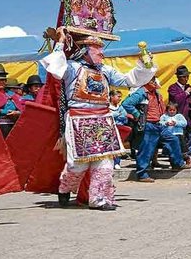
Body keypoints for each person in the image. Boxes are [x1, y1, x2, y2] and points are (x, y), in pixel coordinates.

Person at [41, 28, 156, 210]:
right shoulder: (72, 67)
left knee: (105, 163)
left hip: (103, 120)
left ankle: (99, 199)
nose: (102, 52)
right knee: (78, 164)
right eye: (96, 49)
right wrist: (61, 41)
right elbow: (55, 68)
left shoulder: (105, 70)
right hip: (80, 119)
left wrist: (144, 65)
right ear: (84, 50)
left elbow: (128, 80)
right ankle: (65, 188)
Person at [123, 77, 191, 182]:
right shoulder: (140, 93)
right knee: (146, 149)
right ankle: (142, 174)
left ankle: (177, 163)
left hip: (159, 124)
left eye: (155, 81)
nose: (155, 83)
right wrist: (137, 114)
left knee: (173, 139)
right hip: (148, 125)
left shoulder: (157, 94)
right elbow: (126, 104)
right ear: (146, 82)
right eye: (152, 81)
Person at [167, 65, 191, 165]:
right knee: (179, 137)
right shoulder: (172, 88)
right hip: (178, 118)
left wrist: (186, 99)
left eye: (187, 76)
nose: (186, 79)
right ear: (178, 77)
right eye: (183, 77)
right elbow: (176, 100)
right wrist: (186, 94)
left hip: (190, 117)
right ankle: (180, 156)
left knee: (190, 136)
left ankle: (190, 154)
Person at [0, 65, 23, 138]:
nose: (1, 82)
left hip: (14, 127)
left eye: (3, 80)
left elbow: (22, 108)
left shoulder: (12, 95)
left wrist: (18, 113)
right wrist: (5, 112)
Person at [109, 90, 130, 170]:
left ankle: (117, 162)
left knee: (119, 146)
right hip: (110, 129)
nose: (120, 98)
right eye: (118, 96)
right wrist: (118, 115)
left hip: (120, 128)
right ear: (111, 96)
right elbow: (109, 115)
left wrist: (116, 116)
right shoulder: (107, 106)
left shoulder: (120, 107)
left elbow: (125, 116)